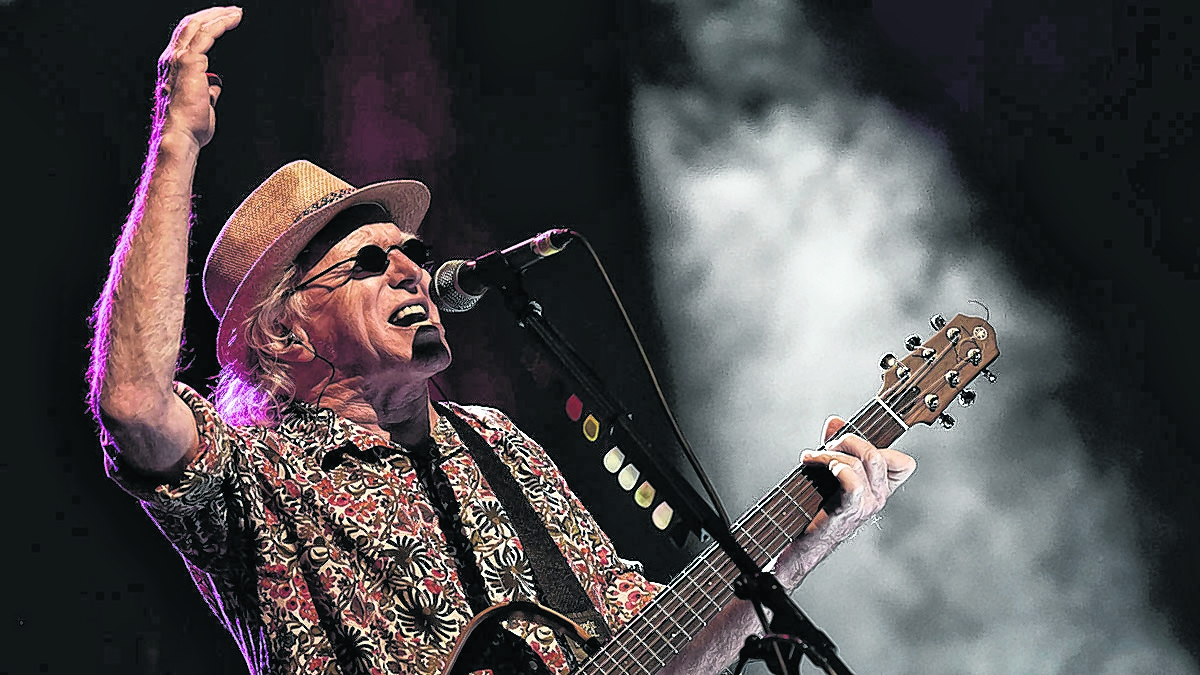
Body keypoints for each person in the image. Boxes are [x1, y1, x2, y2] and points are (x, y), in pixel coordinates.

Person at [87, 6, 917, 675]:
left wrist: (808, 543)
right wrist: (177, 144)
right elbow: (129, 402)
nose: (412, 270)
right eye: (370, 263)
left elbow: (659, 654)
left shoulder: (497, 445)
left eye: (414, 253)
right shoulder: (256, 478)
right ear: (285, 331)